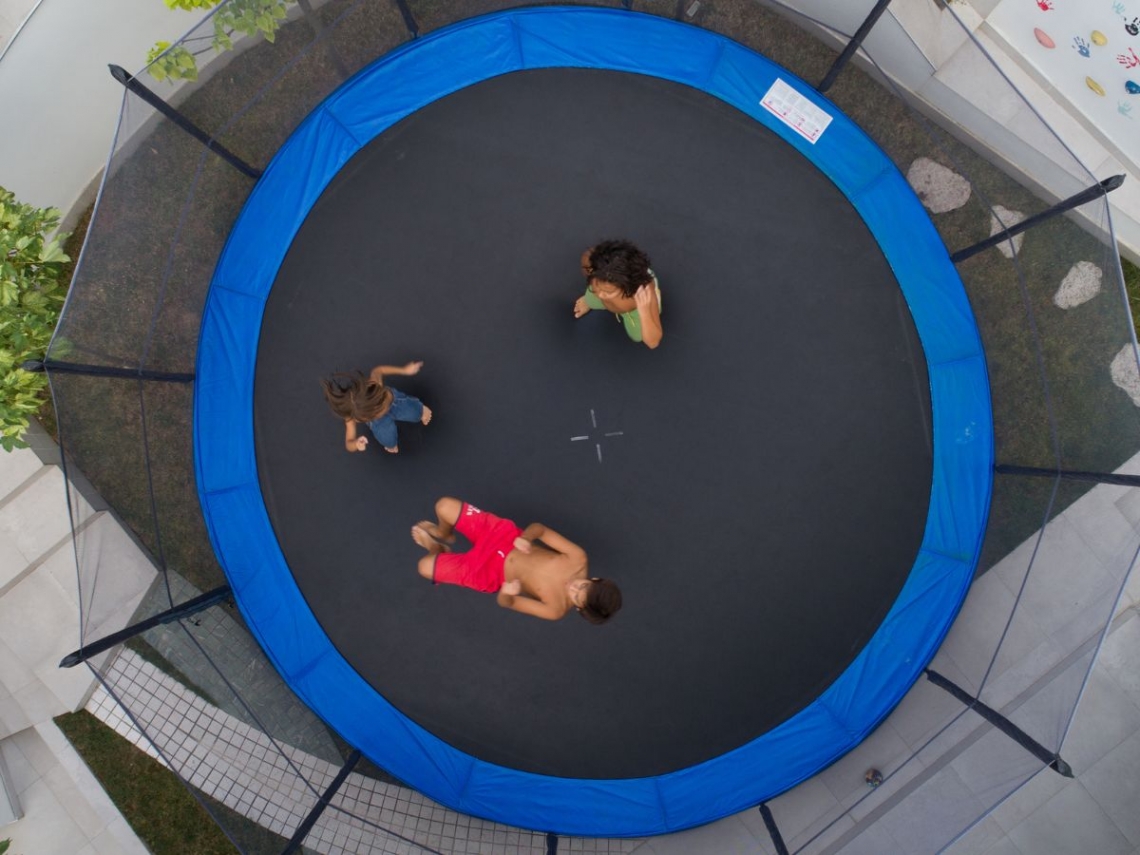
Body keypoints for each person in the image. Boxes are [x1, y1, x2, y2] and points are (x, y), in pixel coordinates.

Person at [411, 497, 622, 624]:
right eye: (582, 585)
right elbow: (539, 528)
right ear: (593, 579)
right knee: (443, 506)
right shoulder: (578, 558)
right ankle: (444, 534)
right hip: (502, 536)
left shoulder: (555, 609)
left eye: (576, 597)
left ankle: (435, 548)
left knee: (424, 567)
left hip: (490, 572)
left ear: (578, 608)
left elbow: (508, 603)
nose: (573, 587)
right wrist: (526, 538)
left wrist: (506, 593)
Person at [320, 362, 432, 454]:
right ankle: (391, 444)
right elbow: (349, 443)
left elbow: (379, 370)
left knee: (415, 411)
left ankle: (421, 411)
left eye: (383, 399)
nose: (386, 407)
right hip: (380, 423)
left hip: (396, 401)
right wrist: (356, 444)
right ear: (363, 418)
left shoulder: (373, 384)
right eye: (382, 407)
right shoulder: (350, 417)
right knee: (388, 440)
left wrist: (404, 370)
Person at [572, 239, 663, 349]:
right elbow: (589, 261)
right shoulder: (596, 266)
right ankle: (590, 300)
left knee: (637, 335)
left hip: (634, 310)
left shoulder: (643, 292)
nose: (600, 295)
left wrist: (644, 311)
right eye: (597, 285)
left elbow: (653, 342)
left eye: (608, 292)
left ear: (628, 288)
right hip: (611, 288)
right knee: (591, 299)